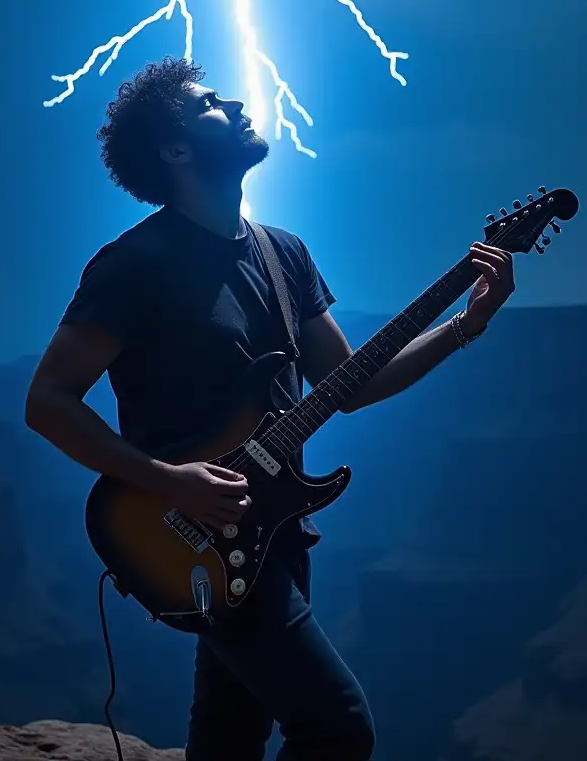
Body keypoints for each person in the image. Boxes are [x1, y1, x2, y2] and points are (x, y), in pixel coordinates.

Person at [25, 56, 515, 761]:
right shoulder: (134, 265)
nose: (235, 100)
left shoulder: (283, 254)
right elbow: (47, 402)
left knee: (230, 737)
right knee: (338, 725)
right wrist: (170, 480)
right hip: (185, 531)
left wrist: (466, 325)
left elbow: (350, 385)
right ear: (176, 150)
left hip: (275, 530)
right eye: (208, 102)